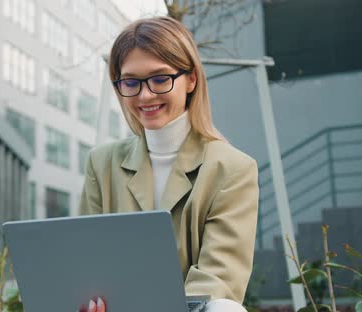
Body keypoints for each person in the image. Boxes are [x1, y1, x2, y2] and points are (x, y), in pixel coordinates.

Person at [78, 16, 259, 312]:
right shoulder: (101, 163)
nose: (145, 95)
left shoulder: (232, 169)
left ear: (190, 79)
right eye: (131, 82)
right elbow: (87, 263)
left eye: (160, 78)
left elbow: (217, 281)